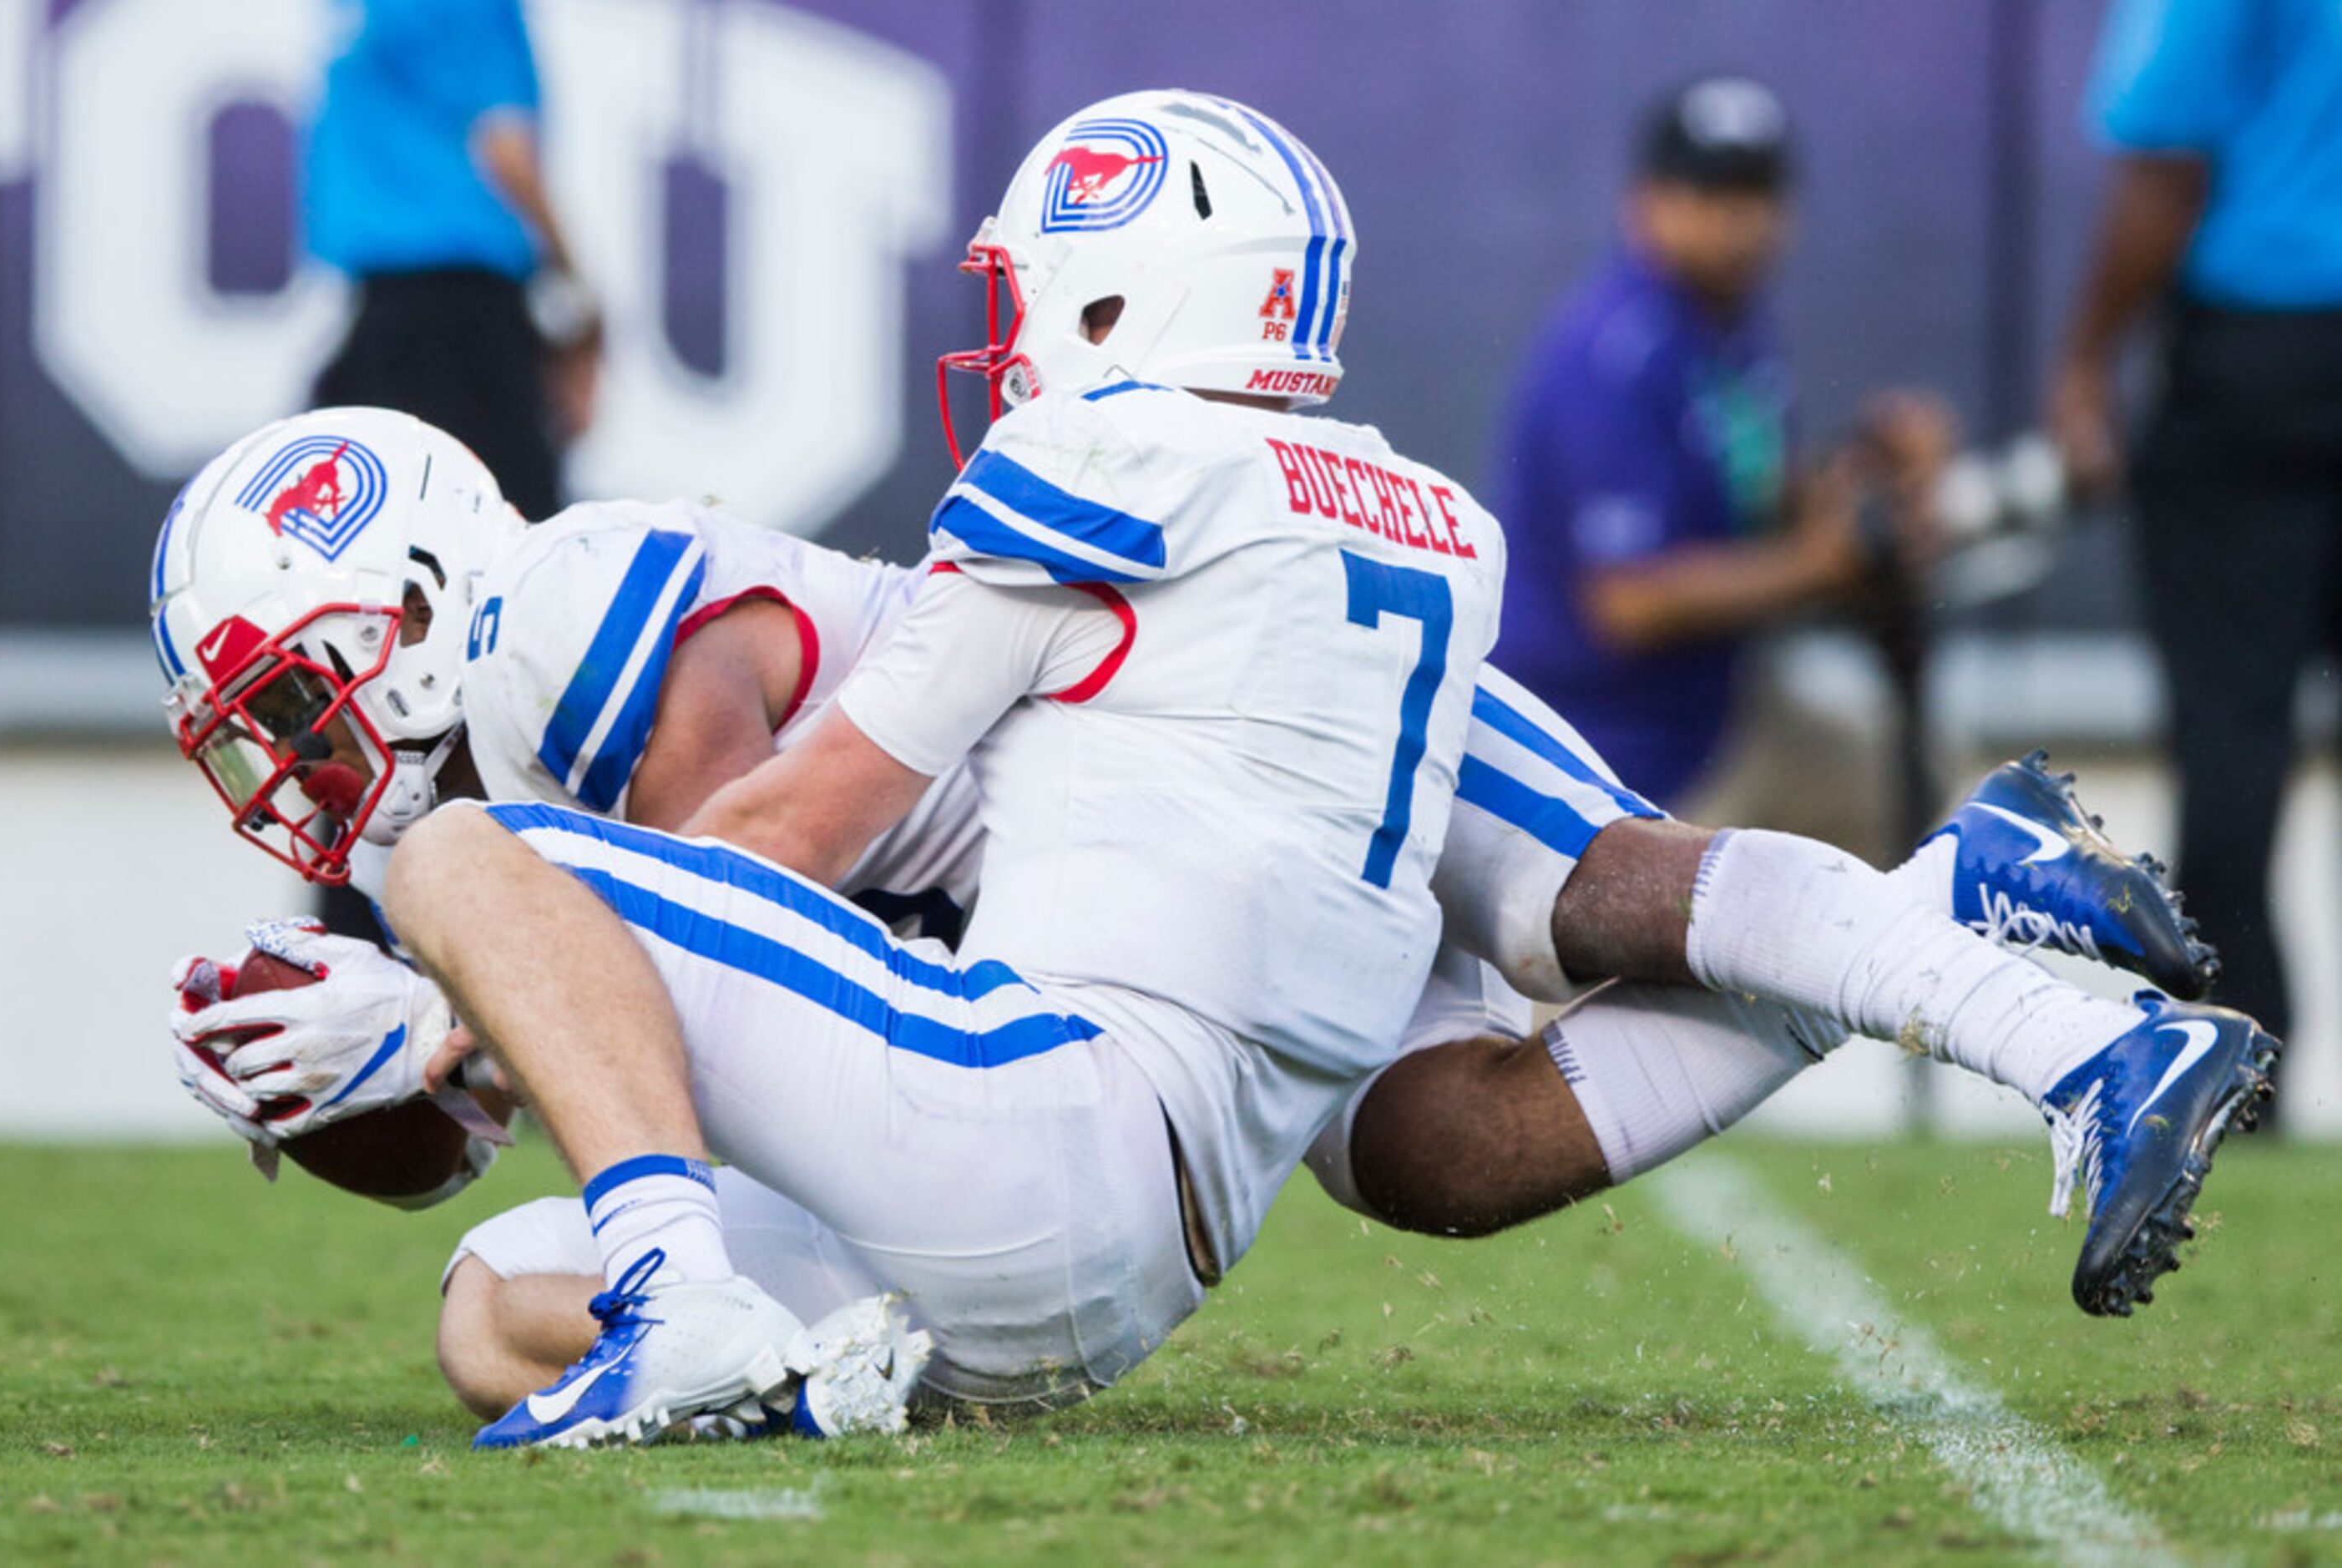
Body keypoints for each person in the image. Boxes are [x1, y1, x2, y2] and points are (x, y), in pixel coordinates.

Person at [328, 91, 2274, 1449]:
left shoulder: (1079, 475)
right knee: (1438, 1120)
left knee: (481, 858)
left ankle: (681, 1306)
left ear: (1130, 290)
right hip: (1215, 1121)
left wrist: (464, 1004)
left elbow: (798, 831)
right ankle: (1971, 937)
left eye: (1037, 295)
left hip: (1062, 1115)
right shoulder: (1410, 508)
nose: (1009, 341)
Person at [1488, 74, 1952, 837]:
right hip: (1602, 758)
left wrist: (1867, 467)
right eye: (1705, 195)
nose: (1738, 222)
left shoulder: (1732, 327)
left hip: (1707, 716)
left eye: (1757, 195)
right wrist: (1823, 562)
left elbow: (1750, 494)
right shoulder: (1612, 355)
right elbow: (1628, 603)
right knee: (1872, 798)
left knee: (1911, 776)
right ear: (1642, 203)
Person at [2049, 0, 2342, 1123]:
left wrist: (2082, 363)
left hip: (2255, 363)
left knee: (2228, 734)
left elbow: (2165, 167)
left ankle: (2233, 1079)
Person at [303, 0, 597, 523]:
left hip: (385, 313)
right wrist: (575, 282)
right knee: (516, 534)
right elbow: (506, 150)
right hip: (467, 318)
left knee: (360, 527)